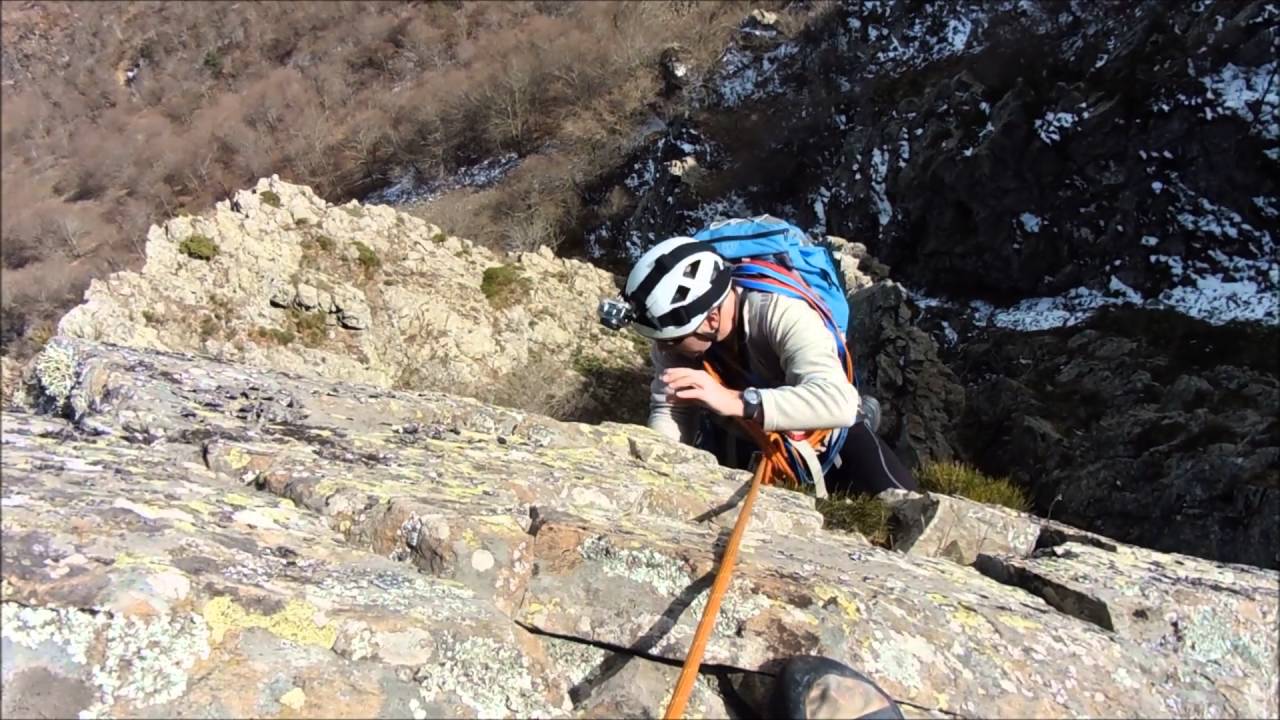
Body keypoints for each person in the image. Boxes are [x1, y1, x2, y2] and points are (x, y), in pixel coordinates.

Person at [600, 235, 916, 497]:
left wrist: (737, 401)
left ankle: (868, 417)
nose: (661, 349)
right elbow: (671, 410)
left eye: (671, 340)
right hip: (740, 433)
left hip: (825, 425)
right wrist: (656, 468)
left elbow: (839, 402)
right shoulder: (679, 335)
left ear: (711, 319)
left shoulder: (780, 312)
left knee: (902, 503)